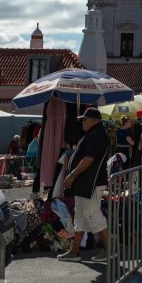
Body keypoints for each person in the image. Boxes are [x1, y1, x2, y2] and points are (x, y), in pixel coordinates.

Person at [58, 108, 112, 262]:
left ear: (94, 119)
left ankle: (109, 250)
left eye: (84, 119)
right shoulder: (94, 134)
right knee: (81, 217)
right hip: (86, 183)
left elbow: (88, 159)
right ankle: (74, 251)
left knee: (92, 215)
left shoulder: (96, 135)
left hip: (92, 183)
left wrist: (72, 175)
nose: (82, 122)